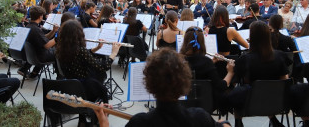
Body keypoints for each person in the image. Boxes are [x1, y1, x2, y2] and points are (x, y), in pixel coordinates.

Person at [94, 48, 231, 127]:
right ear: (184, 82)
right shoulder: (200, 117)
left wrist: (103, 123)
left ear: (149, 84)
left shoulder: (139, 123)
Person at [227, 21, 289, 127]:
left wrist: (231, 71)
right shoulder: (280, 56)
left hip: (249, 103)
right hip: (276, 101)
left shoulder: (245, 59)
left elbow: (233, 84)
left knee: (236, 92)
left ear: (252, 37)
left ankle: (238, 121)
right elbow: (284, 80)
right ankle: (273, 120)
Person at [18, 6, 58, 78]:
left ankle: (35, 72)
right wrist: (58, 38)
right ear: (40, 17)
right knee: (59, 52)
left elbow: (43, 38)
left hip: (33, 55)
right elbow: (47, 45)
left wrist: (53, 31)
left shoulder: (29, 26)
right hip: (39, 56)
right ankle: (60, 76)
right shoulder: (35, 29)